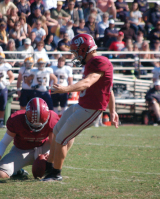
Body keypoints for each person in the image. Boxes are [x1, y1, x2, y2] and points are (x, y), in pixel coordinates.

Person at [42, 34, 119, 181]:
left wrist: (66, 89)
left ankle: (55, 174)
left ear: (84, 50)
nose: (75, 56)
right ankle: (48, 166)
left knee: (61, 139)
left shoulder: (99, 61)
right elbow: (109, 89)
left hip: (91, 109)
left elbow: (87, 82)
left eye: (76, 52)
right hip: (82, 105)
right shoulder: (92, 63)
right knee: (57, 130)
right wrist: (113, 110)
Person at [0, 97, 74, 179]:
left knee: (68, 138)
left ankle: (53, 170)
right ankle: (18, 171)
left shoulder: (52, 118)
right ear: (26, 116)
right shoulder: (17, 119)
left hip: (43, 147)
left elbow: (53, 142)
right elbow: (4, 142)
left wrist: (50, 154)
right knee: (0, 175)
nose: (36, 128)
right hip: (21, 150)